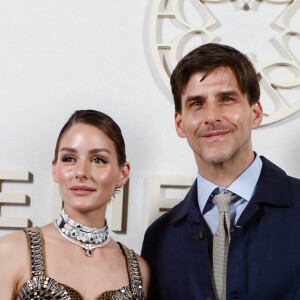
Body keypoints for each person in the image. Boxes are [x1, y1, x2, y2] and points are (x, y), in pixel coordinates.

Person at [141, 43, 300, 300]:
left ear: (255, 113)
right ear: (180, 124)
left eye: (226, 99)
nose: (211, 116)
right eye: (196, 103)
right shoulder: (159, 238)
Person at [0, 109, 149, 299]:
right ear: (55, 169)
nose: (81, 172)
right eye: (69, 159)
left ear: (123, 173)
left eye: (98, 160)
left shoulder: (138, 270)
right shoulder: (12, 250)